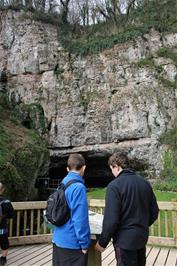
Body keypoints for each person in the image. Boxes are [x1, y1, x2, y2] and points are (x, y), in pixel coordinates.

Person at [95, 152, 159, 266]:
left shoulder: (114, 186)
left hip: (124, 241)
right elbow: (154, 212)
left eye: (112, 169)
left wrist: (102, 242)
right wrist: (141, 225)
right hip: (141, 237)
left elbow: (111, 220)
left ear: (117, 166)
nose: (112, 172)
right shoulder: (145, 183)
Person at [52, 153, 90, 266]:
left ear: (67, 169)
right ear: (84, 167)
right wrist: (84, 244)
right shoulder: (78, 188)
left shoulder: (62, 184)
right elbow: (79, 220)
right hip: (72, 244)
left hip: (58, 239)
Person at [0, 183, 14, 266]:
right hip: (2, 229)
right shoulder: (6, 202)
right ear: (2, 190)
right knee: (4, 243)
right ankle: (3, 259)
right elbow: (12, 215)